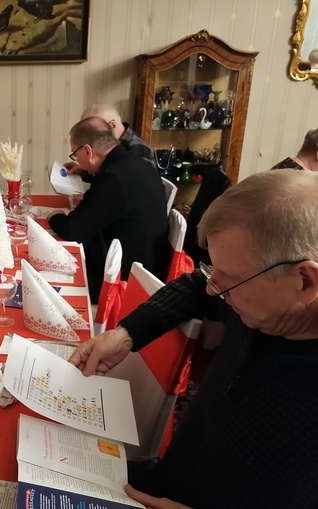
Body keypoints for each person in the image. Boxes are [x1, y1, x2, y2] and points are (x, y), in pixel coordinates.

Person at [68, 169, 318, 508]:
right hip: (169, 480)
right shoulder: (262, 303)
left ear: (305, 281)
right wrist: (126, 333)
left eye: (230, 280)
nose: (215, 289)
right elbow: (196, 286)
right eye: (214, 270)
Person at [48, 116, 169, 303]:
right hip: (149, 264)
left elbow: (73, 230)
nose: (76, 159)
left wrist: (53, 217)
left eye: (75, 153)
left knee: (52, 272)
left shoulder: (113, 178)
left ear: (88, 150)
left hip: (128, 279)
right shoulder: (133, 162)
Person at [80, 104, 156, 171]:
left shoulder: (138, 151)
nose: (89, 139)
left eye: (93, 132)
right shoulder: (111, 144)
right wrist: (86, 171)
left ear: (112, 126)